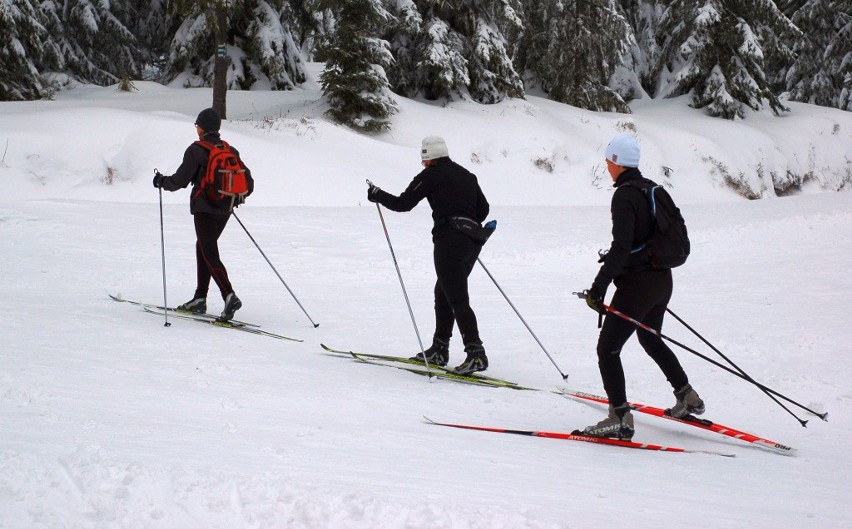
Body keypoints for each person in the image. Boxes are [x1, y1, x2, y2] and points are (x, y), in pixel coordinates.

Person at [579, 133, 704, 440]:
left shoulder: (624, 196)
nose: (607, 165)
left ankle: (620, 416)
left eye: (609, 160)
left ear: (618, 162)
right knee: (650, 338)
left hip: (639, 285)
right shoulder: (650, 188)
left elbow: (622, 248)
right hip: (661, 279)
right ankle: (686, 395)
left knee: (607, 348)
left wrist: (599, 288)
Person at [367, 136, 491, 375]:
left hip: (449, 240)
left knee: (456, 297)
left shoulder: (431, 176)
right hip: (472, 241)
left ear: (429, 158)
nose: (423, 165)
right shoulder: (467, 175)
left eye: (424, 160)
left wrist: (377, 194)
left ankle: (476, 354)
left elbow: (403, 204)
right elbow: (483, 211)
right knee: (444, 291)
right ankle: (439, 349)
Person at [152, 108, 254, 322]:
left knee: (209, 252)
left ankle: (229, 295)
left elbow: (179, 181)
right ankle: (200, 298)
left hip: (204, 209)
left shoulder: (196, 150)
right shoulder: (230, 150)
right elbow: (249, 184)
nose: (196, 128)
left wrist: (161, 182)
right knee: (204, 247)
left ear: (202, 128)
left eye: (197, 125)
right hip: (225, 209)